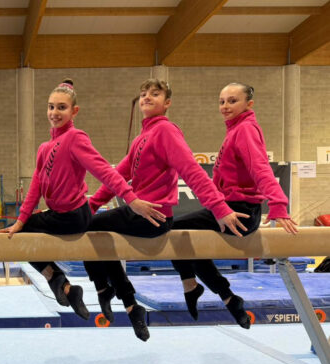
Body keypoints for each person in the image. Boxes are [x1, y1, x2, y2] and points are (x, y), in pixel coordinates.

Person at [84, 78, 250, 341]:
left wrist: (219, 208)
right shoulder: (142, 138)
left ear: (167, 103)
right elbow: (118, 176)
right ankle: (218, 295)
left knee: (91, 228)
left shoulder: (166, 131)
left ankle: (114, 294)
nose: (147, 97)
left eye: (155, 94)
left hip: (151, 216)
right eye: (143, 94)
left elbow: (192, 171)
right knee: (94, 228)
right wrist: (91, 205)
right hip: (143, 215)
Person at [0, 79, 164, 321]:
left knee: (24, 236)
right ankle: (73, 288)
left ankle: (59, 281)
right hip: (63, 215)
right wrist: (21, 219)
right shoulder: (44, 148)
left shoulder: (75, 138)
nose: (54, 113)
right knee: (25, 230)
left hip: (73, 215)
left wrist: (130, 198)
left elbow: (104, 171)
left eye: (61, 107)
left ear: (74, 111)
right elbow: (36, 187)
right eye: (51, 107)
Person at [171, 82, 298, 327]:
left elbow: (261, 168)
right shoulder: (236, 129)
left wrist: (279, 204)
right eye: (222, 101)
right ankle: (228, 298)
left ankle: (192, 285)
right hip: (226, 208)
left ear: (249, 104)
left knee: (174, 230)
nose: (225, 106)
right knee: (186, 239)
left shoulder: (245, 129)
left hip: (239, 212)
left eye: (232, 101)